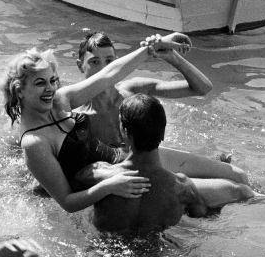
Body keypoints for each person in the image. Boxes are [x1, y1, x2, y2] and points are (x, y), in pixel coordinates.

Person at [0, 34, 190, 214]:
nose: (50, 89)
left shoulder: (60, 100)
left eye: (52, 81)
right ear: (20, 91)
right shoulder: (33, 142)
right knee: (192, 195)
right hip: (107, 177)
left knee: (219, 174)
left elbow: (109, 75)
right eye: (40, 83)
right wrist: (109, 186)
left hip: (123, 158)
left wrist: (154, 46)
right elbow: (68, 202)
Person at [74, 29, 249, 185]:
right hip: (117, 171)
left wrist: (172, 57)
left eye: (109, 60)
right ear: (79, 65)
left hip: (152, 157)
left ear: (118, 62)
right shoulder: (76, 115)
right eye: (94, 62)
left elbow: (203, 88)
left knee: (238, 176)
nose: (104, 68)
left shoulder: (132, 90)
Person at [93, 95, 253, 234]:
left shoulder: (99, 174)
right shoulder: (182, 187)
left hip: (106, 256)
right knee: (242, 190)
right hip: (156, 255)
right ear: (162, 134)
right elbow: (203, 214)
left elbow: (71, 200)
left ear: (124, 132)